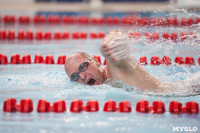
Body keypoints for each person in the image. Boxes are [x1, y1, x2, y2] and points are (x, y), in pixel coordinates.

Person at [64, 30, 164, 91]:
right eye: (75, 76)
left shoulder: (114, 68)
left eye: (83, 66)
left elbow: (117, 34)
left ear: (96, 62)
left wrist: (110, 44)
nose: (81, 76)